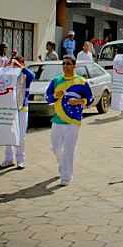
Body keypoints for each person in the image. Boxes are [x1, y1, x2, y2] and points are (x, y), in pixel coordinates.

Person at [46, 56, 94, 186]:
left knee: (69, 149)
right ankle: (63, 165)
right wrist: (56, 95)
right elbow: (47, 98)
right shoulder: (56, 81)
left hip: (73, 121)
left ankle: (66, 176)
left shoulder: (81, 82)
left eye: (68, 64)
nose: (65, 66)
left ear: (74, 66)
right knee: (55, 148)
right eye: (64, 64)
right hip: (57, 119)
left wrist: (78, 101)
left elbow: (90, 99)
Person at [0, 55, 35, 170]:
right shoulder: (8, 75)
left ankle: (20, 160)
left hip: (22, 108)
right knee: (8, 134)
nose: (14, 66)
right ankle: (8, 159)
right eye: (13, 64)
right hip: (9, 108)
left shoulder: (26, 75)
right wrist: (5, 67)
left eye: (17, 64)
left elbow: (32, 75)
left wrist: (20, 66)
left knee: (21, 135)